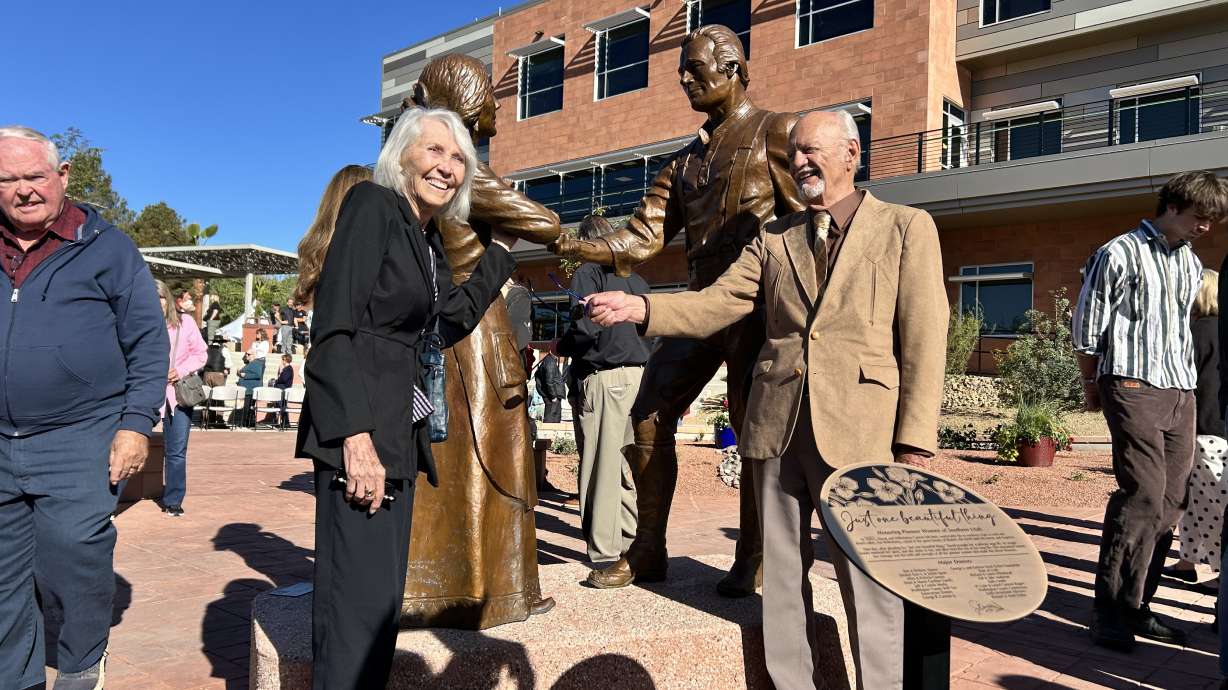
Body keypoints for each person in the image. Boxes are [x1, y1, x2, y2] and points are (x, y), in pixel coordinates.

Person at [584, 110, 948, 689]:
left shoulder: (905, 228)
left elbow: (926, 341)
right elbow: (718, 301)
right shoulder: (775, 239)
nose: (800, 161)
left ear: (852, 154)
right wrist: (643, 309)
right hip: (776, 432)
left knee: (867, 583)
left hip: (861, 436)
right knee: (782, 582)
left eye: (813, 151)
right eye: (795, 151)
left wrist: (914, 446)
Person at [553, 24, 805, 595]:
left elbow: (809, 227)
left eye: (695, 68)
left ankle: (755, 554)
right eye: (681, 72)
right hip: (698, 313)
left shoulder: (776, 133)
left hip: (758, 313)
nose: (686, 79)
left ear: (734, 66)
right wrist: (571, 243)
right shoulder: (683, 164)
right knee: (647, 411)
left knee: (753, 431)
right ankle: (647, 550)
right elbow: (640, 237)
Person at [294, 105, 521, 689]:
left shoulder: (424, 237)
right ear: (401, 156)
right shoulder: (373, 206)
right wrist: (355, 439)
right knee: (356, 615)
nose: (447, 167)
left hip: (394, 435)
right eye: (434, 151)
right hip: (362, 437)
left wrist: (498, 256)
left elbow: (440, 327)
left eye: (458, 159)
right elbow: (333, 330)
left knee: (378, 614)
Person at [0, 126, 167, 690]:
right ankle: (15, 678)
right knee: (2, 577)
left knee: (74, 553)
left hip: (81, 434)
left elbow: (148, 339)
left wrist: (136, 424)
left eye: (34, 176)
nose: (23, 190)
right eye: (7, 180)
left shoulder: (107, 247)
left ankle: (78, 661)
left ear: (62, 176)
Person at [398, 52, 560, 630]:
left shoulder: (405, 164)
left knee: (457, 462)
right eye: (488, 94)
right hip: (477, 331)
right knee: (496, 458)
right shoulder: (466, 168)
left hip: (450, 331)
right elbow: (540, 222)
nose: (496, 105)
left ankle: (445, 590)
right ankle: (496, 594)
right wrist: (557, 233)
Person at [1073, 170, 1228, 651]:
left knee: (1171, 502)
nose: (1207, 227)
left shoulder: (1190, 263)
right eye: (1201, 217)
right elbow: (1086, 325)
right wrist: (1091, 383)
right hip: (1132, 384)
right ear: (1175, 205)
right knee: (1142, 494)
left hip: (1181, 391)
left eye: (1213, 220)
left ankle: (1139, 604)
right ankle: (1110, 611)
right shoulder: (1117, 252)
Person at [556, 214, 651, 565]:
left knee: (599, 465)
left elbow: (586, 330)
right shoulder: (638, 279)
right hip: (638, 378)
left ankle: (604, 553)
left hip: (604, 379)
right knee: (623, 465)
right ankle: (630, 542)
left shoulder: (587, 273)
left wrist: (561, 346)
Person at [1165, 269, 1227, 585]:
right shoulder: (1219, 331)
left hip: (1205, 427)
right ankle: (1186, 562)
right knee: (1191, 501)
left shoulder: (1198, 332)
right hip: (1215, 427)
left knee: (1212, 504)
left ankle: (1219, 574)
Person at [155, 280, 207, 517]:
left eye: (161, 298)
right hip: (146, 392)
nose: (157, 303)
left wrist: (181, 370)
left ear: (168, 298)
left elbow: (200, 354)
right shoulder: (140, 322)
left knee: (176, 451)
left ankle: (173, 500)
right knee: (126, 441)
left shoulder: (185, 322)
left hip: (177, 395)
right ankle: (109, 503)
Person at [534, 349, 565, 423]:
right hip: (552, 396)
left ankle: (554, 432)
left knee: (555, 417)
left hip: (553, 395)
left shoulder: (549, 360)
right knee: (551, 417)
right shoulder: (550, 362)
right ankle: (549, 433)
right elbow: (549, 381)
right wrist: (553, 396)